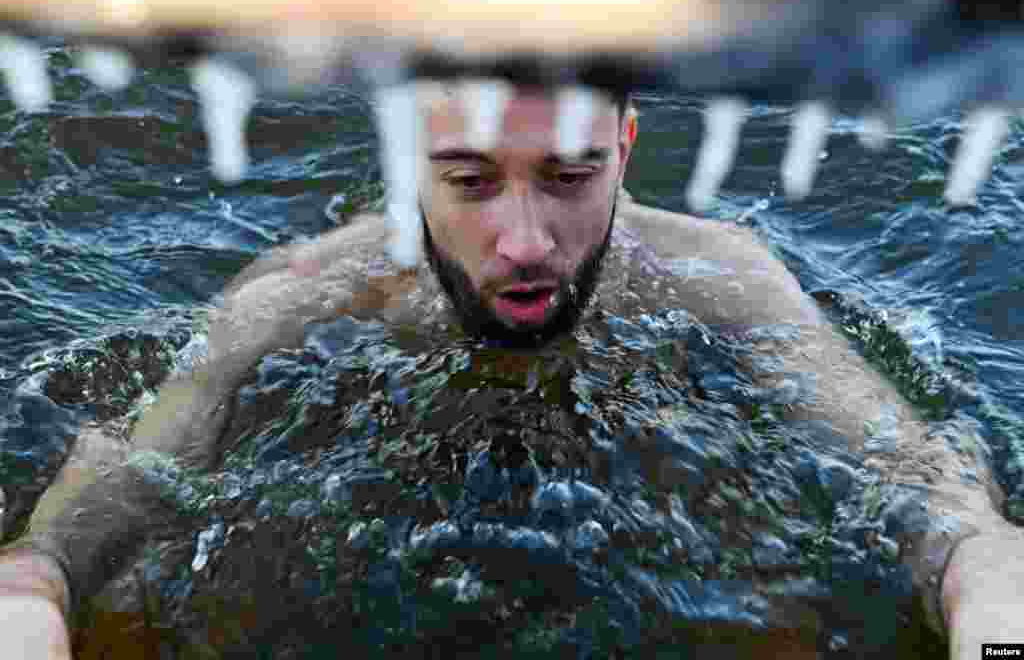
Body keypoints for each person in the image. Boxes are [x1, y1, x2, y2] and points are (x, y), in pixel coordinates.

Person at [0, 85, 1021, 660]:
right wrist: (34, 601)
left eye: (571, 175)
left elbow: (932, 498)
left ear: (625, 144)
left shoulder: (722, 279)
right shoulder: (300, 294)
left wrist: (988, 602)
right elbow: (104, 504)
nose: (524, 241)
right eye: (471, 182)